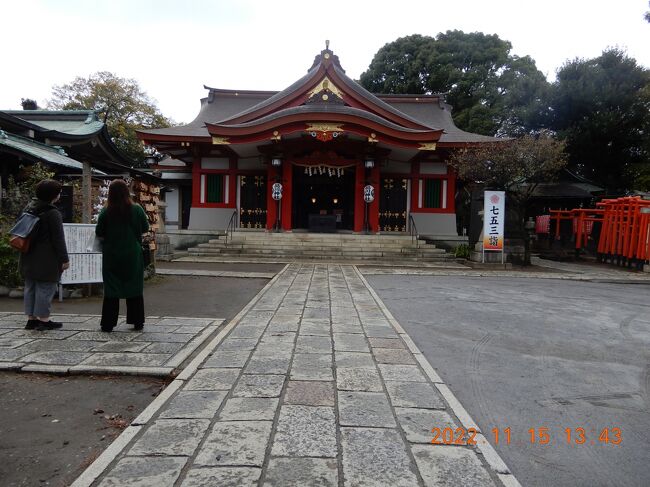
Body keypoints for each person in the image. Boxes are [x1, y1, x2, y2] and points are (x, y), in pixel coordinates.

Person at [96, 179, 149, 332]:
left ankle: (108, 323)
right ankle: (137, 321)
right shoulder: (137, 209)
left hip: (112, 253)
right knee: (134, 286)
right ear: (127, 192)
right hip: (133, 252)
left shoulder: (106, 211)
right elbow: (145, 228)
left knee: (111, 288)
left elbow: (99, 231)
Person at [20, 179, 70, 331]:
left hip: (28, 252)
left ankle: (31, 319)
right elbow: (58, 239)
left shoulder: (29, 207)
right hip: (46, 256)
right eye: (58, 192)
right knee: (45, 287)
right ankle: (44, 320)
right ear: (52, 195)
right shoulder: (52, 213)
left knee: (30, 286)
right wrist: (64, 259)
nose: (60, 195)